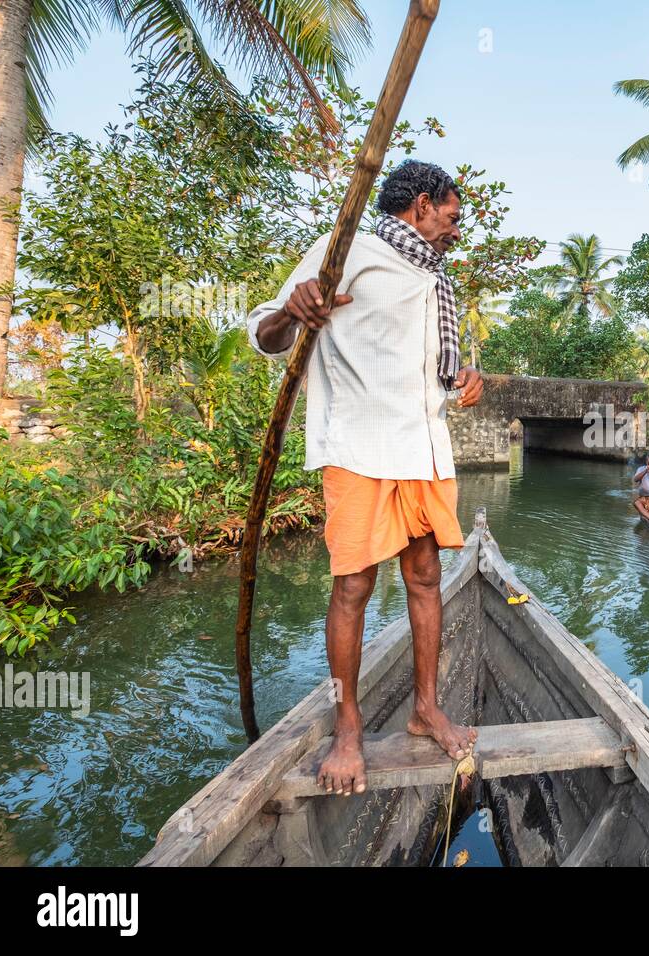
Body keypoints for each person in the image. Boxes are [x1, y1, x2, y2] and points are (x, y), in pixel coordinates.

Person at [247, 160, 480, 797]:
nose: (456, 231)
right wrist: (294, 312)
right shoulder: (346, 247)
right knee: (353, 584)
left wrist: (465, 378)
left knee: (426, 575)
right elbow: (265, 331)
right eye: (453, 217)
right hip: (358, 442)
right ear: (423, 205)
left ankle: (425, 708)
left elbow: (436, 363)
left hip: (424, 445)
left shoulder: (436, 281)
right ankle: (348, 726)